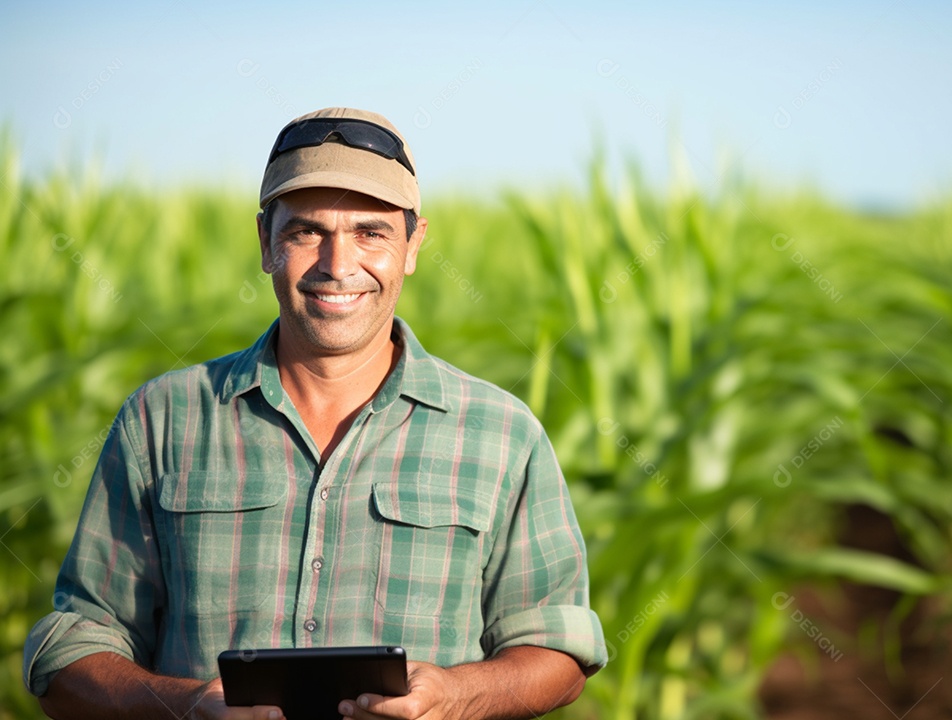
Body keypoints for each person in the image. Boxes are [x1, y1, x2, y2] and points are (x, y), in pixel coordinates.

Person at [24, 107, 606, 720]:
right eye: (305, 232)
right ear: (265, 243)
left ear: (413, 245)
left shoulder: (501, 433)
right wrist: (186, 706)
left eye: (370, 232)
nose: (337, 263)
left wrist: (457, 696)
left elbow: (558, 652)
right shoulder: (162, 419)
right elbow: (72, 649)